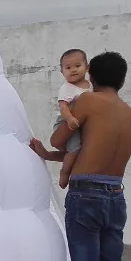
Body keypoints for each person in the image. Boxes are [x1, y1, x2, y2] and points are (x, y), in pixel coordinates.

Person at [30, 51, 131, 261]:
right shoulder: (129, 113)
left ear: (93, 75)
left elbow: (61, 139)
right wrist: (48, 157)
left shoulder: (87, 101)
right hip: (115, 192)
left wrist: (52, 143)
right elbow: (92, 148)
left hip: (86, 193)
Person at [53, 48, 90, 189]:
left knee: (81, 150)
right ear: (62, 72)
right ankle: (64, 172)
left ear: (87, 67)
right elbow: (63, 107)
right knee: (75, 149)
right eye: (68, 68)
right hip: (65, 122)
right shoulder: (67, 87)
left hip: (80, 124)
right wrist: (69, 119)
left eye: (77, 66)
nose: (73, 70)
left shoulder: (90, 86)